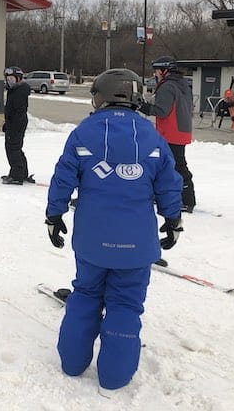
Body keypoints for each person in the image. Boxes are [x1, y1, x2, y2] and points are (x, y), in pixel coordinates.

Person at [43, 68, 183, 394]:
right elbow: (169, 183)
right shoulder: (151, 137)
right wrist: (173, 220)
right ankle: (114, 377)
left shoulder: (83, 133)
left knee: (86, 296)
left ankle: (73, 363)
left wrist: (54, 215)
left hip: (92, 241)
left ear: (101, 96)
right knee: (125, 305)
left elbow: (63, 177)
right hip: (136, 245)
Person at [139, 56, 197, 213]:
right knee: (166, 164)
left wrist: (141, 105)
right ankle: (169, 196)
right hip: (182, 130)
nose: (155, 74)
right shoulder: (183, 84)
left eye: (157, 71)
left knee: (176, 166)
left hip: (170, 132)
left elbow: (161, 111)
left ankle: (187, 200)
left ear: (164, 71)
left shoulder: (167, 86)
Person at [1, 66, 33, 185]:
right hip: (13, 123)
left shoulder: (20, 91)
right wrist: (7, 123)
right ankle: (22, 172)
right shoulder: (14, 90)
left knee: (12, 149)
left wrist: (13, 126)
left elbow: (19, 111)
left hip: (17, 124)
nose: (9, 81)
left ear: (18, 79)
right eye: (7, 78)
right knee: (16, 148)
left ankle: (17, 176)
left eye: (11, 79)